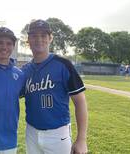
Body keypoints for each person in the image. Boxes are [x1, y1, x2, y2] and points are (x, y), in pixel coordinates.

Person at [21, 19, 88, 154]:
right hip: (31, 133)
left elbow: (80, 102)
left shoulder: (63, 65)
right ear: (28, 40)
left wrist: (81, 139)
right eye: (34, 35)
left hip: (58, 134)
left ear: (50, 38)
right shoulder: (24, 71)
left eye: (43, 35)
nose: (39, 39)